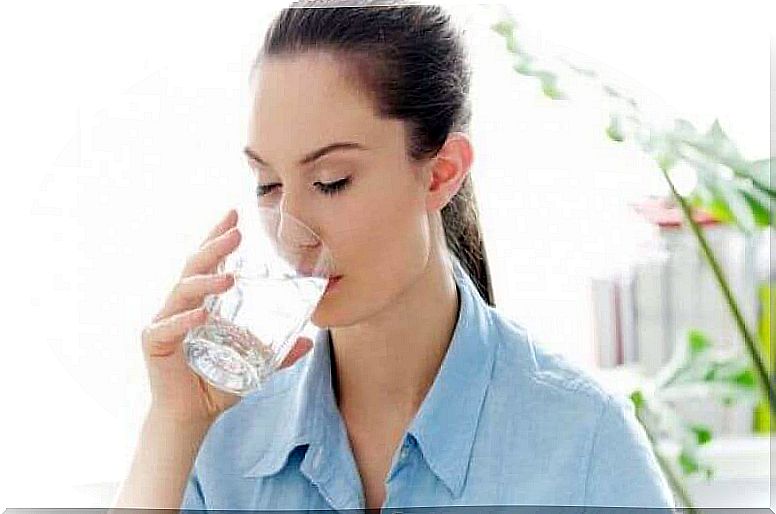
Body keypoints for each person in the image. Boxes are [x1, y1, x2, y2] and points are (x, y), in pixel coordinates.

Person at [113, 1, 676, 511]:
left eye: (331, 181)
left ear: (441, 172)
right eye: (268, 185)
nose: (293, 232)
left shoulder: (580, 443)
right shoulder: (223, 434)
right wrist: (173, 423)